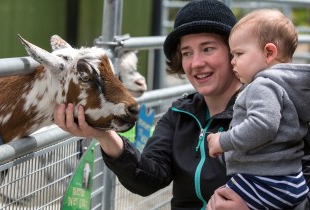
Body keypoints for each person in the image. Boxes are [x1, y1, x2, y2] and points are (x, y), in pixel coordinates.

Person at [53, 1, 310, 209]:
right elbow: (148, 179)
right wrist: (104, 135)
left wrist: (258, 205)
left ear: (234, 52)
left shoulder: (272, 107)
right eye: (187, 52)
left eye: (208, 49)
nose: (195, 62)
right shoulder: (180, 114)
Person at [207, 8, 310, 209]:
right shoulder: (291, 88)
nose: (232, 62)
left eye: (238, 53)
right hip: (292, 180)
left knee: (216, 203)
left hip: (266, 180)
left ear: (269, 52)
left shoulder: (262, 85)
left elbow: (263, 125)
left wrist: (223, 140)